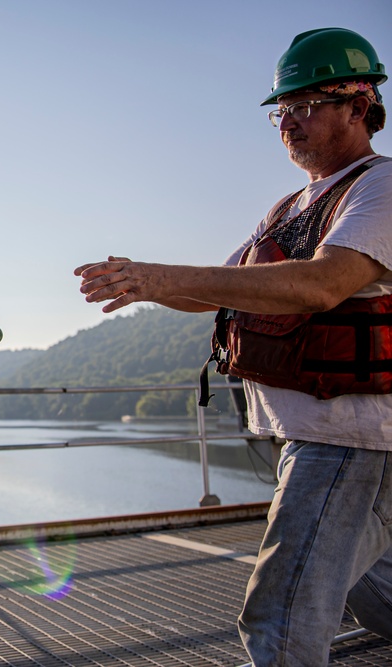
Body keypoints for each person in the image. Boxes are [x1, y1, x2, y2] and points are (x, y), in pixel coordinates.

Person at [76, 27, 392, 665]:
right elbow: (224, 291)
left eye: (306, 106)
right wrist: (142, 286)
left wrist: (157, 275)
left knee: (280, 619)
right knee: (373, 594)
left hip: (348, 438)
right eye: (282, 111)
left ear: (359, 107)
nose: (289, 123)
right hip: (310, 435)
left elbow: (323, 284)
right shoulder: (290, 206)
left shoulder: (379, 188)